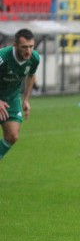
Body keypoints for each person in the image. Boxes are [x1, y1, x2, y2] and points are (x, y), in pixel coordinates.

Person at [0, 28, 40, 161]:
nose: (28, 51)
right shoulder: (3, 57)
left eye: (31, 46)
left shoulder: (34, 58)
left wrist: (26, 99)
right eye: (24, 47)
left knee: (12, 136)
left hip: (11, 98)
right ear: (15, 45)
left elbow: (31, 76)